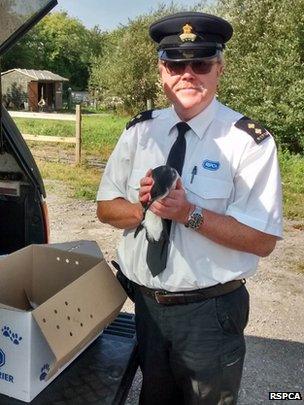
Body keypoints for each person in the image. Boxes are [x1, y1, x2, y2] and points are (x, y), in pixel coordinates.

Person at [96, 11, 283, 405]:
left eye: (200, 62)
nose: (188, 73)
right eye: (176, 63)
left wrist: (188, 214)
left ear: (220, 68)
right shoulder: (138, 131)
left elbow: (263, 240)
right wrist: (142, 207)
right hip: (146, 305)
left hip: (210, 314)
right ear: (161, 71)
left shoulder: (249, 143)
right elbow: (105, 209)